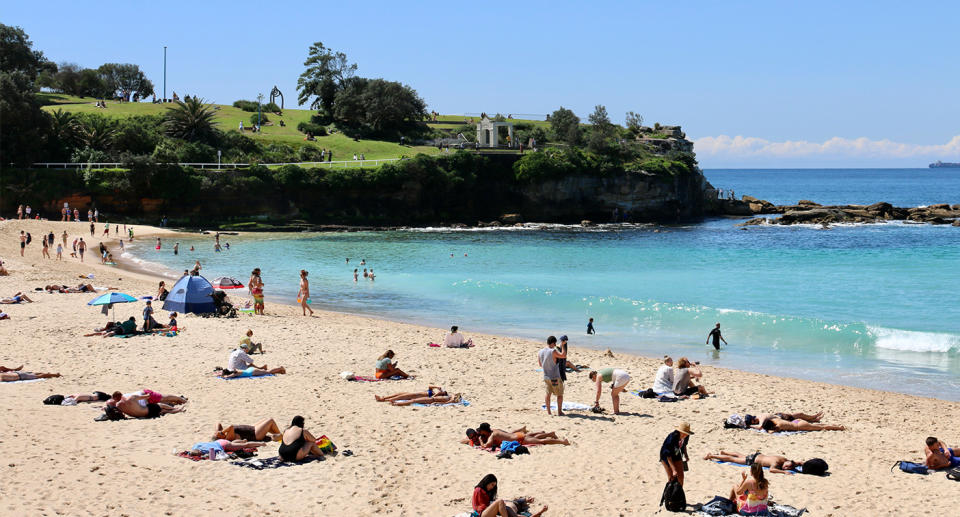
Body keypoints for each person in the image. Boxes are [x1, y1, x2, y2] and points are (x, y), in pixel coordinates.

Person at [472, 474, 547, 517]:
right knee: (500, 501)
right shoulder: (479, 490)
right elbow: (479, 508)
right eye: (492, 485)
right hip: (481, 514)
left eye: (494, 486)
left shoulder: (486, 491)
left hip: (486, 512)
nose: (492, 487)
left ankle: (535, 515)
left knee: (511, 513)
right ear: (487, 482)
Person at [704, 450, 807, 474]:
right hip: (753, 460)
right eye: (786, 467)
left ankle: (725, 451)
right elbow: (771, 470)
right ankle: (712, 455)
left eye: (788, 468)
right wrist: (783, 472)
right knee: (733, 459)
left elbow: (796, 462)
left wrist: (801, 463)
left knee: (740, 455)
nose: (786, 468)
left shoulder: (785, 460)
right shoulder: (776, 463)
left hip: (757, 455)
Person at [537, 336, 566, 416]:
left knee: (548, 394)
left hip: (546, 376)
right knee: (559, 394)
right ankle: (559, 412)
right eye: (555, 343)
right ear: (553, 343)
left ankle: (549, 412)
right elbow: (563, 355)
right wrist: (563, 345)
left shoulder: (540, 352)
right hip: (555, 377)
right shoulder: (552, 351)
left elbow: (540, 364)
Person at [660, 422, 693, 486]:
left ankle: (679, 493)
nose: (685, 435)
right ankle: (670, 495)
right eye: (683, 433)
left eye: (686, 434)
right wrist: (674, 470)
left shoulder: (686, 435)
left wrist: (686, 455)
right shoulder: (672, 437)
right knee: (671, 478)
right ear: (679, 431)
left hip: (676, 452)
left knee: (681, 476)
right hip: (666, 455)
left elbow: (684, 445)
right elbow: (668, 455)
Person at [108, 391, 184, 418]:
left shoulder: (118, 406)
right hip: (147, 410)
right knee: (161, 405)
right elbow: (148, 396)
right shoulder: (132, 398)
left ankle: (173, 410)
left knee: (163, 410)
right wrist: (148, 393)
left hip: (142, 415)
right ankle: (177, 409)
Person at [214, 418, 282, 442]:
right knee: (270, 420)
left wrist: (217, 431)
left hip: (251, 428)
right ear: (220, 438)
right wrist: (222, 432)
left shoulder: (224, 434)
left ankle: (278, 435)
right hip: (254, 434)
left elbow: (218, 423)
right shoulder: (228, 438)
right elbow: (231, 426)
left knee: (266, 421)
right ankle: (281, 436)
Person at [756, 415, 845, 433]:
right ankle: (835, 426)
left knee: (820, 428)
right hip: (796, 421)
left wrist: (767, 430)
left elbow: (771, 432)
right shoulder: (776, 420)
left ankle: (839, 428)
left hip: (799, 426)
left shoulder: (778, 427)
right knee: (819, 426)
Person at [375, 386, 446, 402]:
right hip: (414, 393)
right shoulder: (433, 392)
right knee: (399, 393)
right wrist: (437, 387)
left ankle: (384, 400)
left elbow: (430, 398)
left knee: (400, 397)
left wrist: (438, 393)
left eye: (443, 392)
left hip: (415, 395)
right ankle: (383, 397)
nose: (442, 391)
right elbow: (430, 386)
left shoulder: (435, 396)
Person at [388, 393, 462, 406]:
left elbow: (446, 403)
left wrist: (437, 403)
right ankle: (395, 402)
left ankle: (396, 403)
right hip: (431, 399)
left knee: (413, 401)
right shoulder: (451, 397)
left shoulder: (451, 399)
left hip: (431, 400)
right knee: (413, 399)